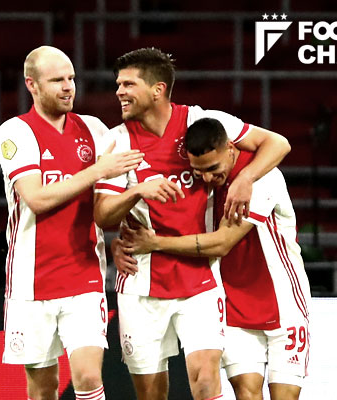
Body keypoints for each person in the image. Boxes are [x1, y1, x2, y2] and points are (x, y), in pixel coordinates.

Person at [93, 48, 291, 400]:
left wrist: (245, 178)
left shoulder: (201, 122)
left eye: (128, 84)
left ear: (158, 89)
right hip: (141, 281)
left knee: (205, 380)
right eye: (118, 84)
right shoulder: (117, 141)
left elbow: (277, 143)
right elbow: (103, 215)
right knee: (151, 394)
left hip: (201, 280)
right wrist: (137, 191)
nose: (119, 92)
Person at [120, 118, 311, 400]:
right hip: (233, 303)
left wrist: (155, 244)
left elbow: (222, 243)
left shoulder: (262, 178)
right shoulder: (206, 186)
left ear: (230, 148)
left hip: (284, 302)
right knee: (246, 393)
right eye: (199, 171)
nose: (207, 178)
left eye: (212, 168)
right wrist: (122, 242)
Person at [0, 46, 144, 400]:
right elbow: (36, 198)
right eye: (57, 80)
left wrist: (120, 237)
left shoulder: (94, 129)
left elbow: (114, 192)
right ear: (31, 84)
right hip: (30, 281)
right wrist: (95, 171)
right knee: (43, 388)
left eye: (71, 78)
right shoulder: (15, 131)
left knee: (88, 376)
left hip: (84, 274)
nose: (67, 87)